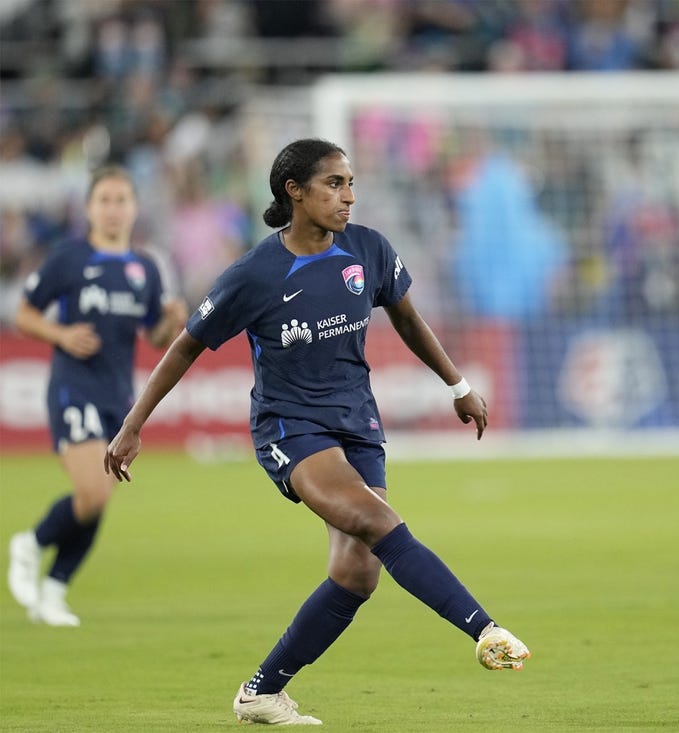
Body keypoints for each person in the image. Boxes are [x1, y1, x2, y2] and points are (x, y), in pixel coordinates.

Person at [104, 138, 530, 726]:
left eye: (351, 183)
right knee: (381, 523)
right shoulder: (253, 275)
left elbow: (407, 317)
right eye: (334, 184)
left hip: (358, 422)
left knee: (357, 572)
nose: (349, 196)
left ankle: (261, 693)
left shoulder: (369, 250)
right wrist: (132, 425)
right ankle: (485, 630)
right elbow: (184, 349)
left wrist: (457, 386)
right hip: (291, 427)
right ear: (294, 191)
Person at [7, 165, 188, 626]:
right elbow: (24, 313)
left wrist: (173, 321)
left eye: (121, 200)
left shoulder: (144, 267)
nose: (113, 209)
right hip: (73, 386)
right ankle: (30, 544)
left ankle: (54, 589)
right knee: (91, 493)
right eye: (104, 200)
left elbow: (154, 336)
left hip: (118, 397)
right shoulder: (69, 257)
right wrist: (62, 334)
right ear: (88, 208)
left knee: (99, 498)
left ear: (134, 207)